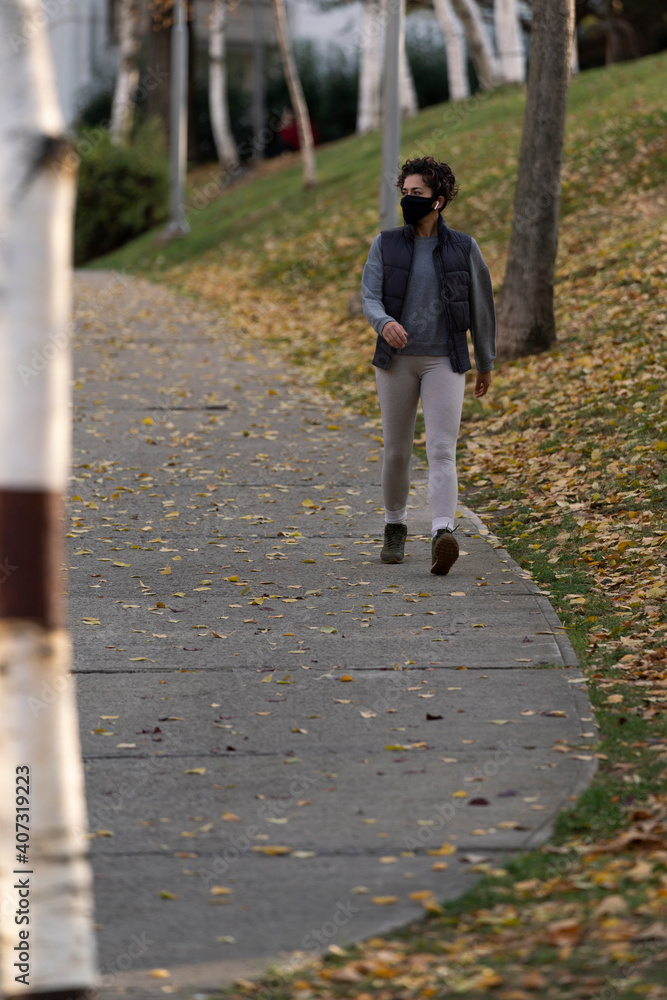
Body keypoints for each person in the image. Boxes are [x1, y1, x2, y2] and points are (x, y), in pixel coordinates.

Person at [361, 155, 496, 575]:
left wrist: (485, 360)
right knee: (398, 450)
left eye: (416, 194)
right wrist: (384, 324)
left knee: (441, 448)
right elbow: (370, 297)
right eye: (404, 193)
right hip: (395, 362)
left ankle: (443, 532)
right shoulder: (386, 244)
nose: (408, 200)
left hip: (445, 360)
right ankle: (395, 526)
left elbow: (481, 306)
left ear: (437, 200)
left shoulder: (463, 247)